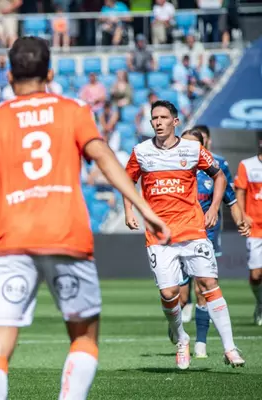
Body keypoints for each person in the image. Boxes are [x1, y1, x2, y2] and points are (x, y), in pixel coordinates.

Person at [0, 36, 170, 400]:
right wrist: (144, 208)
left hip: (11, 243)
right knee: (84, 337)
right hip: (67, 236)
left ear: (9, 76)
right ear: (50, 74)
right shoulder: (74, 110)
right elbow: (103, 158)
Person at [123, 100, 245, 370]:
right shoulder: (141, 152)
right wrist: (128, 210)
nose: (158, 122)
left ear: (175, 121)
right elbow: (127, 180)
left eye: (163, 117)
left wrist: (213, 207)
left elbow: (219, 176)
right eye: (154, 118)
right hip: (159, 234)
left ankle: (229, 348)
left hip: (192, 229)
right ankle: (181, 337)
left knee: (209, 283)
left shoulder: (192, 149)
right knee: (169, 293)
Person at [178, 129, 250, 358]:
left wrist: (240, 222)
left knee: (204, 287)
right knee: (180, 296)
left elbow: (231, 199)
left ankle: (201, 342)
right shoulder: (172, 168)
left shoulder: (214, 170)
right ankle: (176, 327)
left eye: (193, 144)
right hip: (177, 237)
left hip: (205, 236)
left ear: (202, 147)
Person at [234, 137, 262, 326]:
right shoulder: (247, 165)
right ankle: (260, 303)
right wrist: (243, 215)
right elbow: (240, 192)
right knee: (256, 275)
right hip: (256, 228)